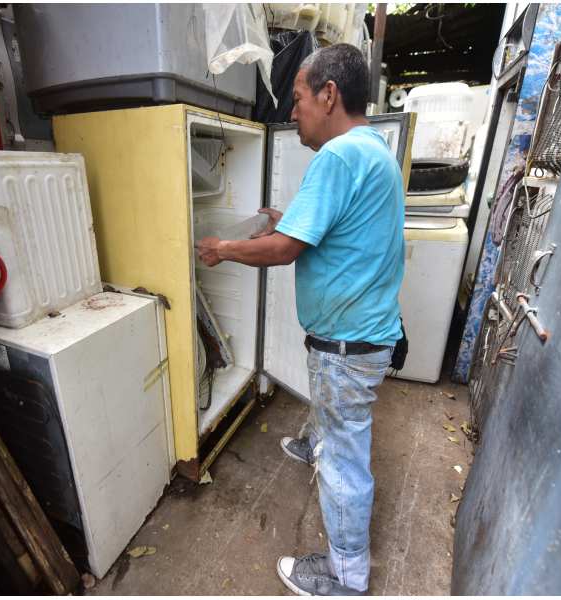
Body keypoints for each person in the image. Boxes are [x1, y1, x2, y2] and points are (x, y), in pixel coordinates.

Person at [197, 43, 405, 596]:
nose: (292, 114)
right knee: (337, 429)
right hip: (365, 336)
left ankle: (346, 576)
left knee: (343, 463)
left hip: (347, 346)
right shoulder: (372, 150)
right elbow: (336, 226)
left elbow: (286, 249)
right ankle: (317, 441)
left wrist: (223, 247)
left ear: (329, 95)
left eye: (297, 99)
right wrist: (284, 216)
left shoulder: (336, 157)